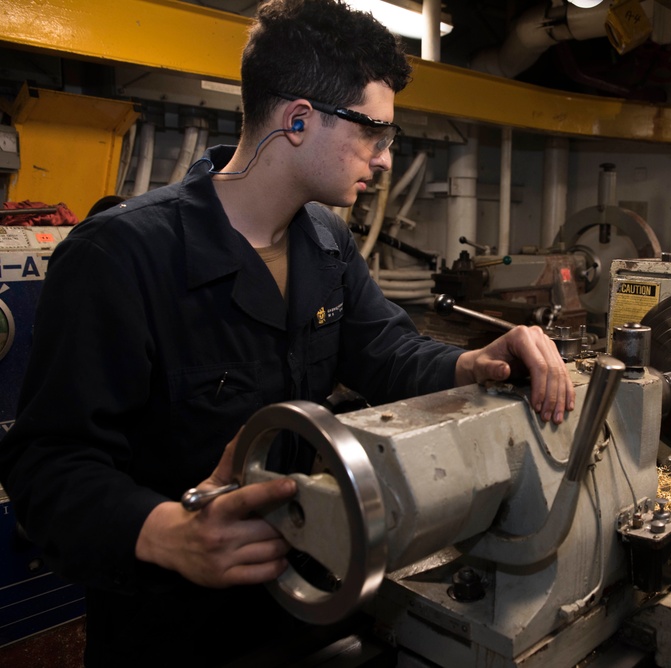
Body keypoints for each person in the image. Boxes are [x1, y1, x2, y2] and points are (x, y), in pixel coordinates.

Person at [0, 1, 574, 665]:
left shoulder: (326, 241)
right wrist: (166, 532)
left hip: (311, 595)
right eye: (375, 135)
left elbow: (386, 352)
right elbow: (46, 467)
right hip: (175, 628)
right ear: (299, 120)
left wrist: (474, 363)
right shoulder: (120, 256)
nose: (386, 160)